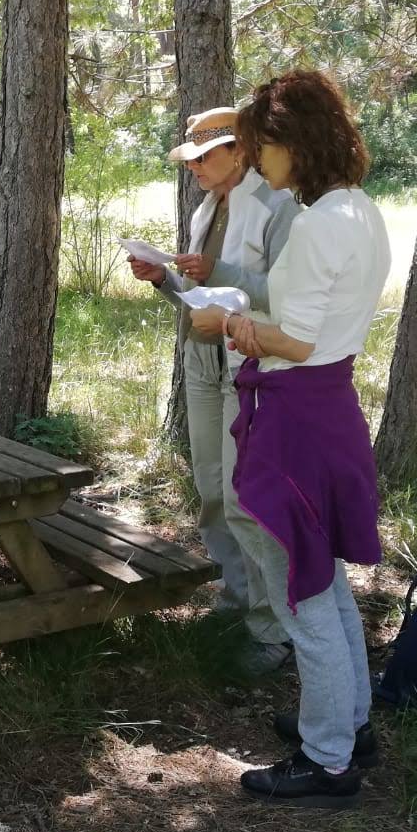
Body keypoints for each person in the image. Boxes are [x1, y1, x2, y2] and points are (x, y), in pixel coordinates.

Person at [215, 70, 392, 809]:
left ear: (295, 141)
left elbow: (297, 340)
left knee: (301, 589)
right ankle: (348, 722)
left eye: (262, 147)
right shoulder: (360, 210)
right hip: (328, 407)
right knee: (322, 577)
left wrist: (230, 324)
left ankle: (327, 762)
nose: (257, 162)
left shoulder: (319, 223)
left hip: (296, 416)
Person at [130, 106, 299, 673]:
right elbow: (202, 295)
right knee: (210, 488)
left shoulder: (277, 206)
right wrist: (165, 278)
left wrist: (214, 272)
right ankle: (235, 601)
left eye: (205, 156)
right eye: (191, 158)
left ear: (240, 151)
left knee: (242, 496)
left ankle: (273, 629)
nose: (194, 167)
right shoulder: (208, 207)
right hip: (203, 357)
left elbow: (286, 295)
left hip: (250, 364)